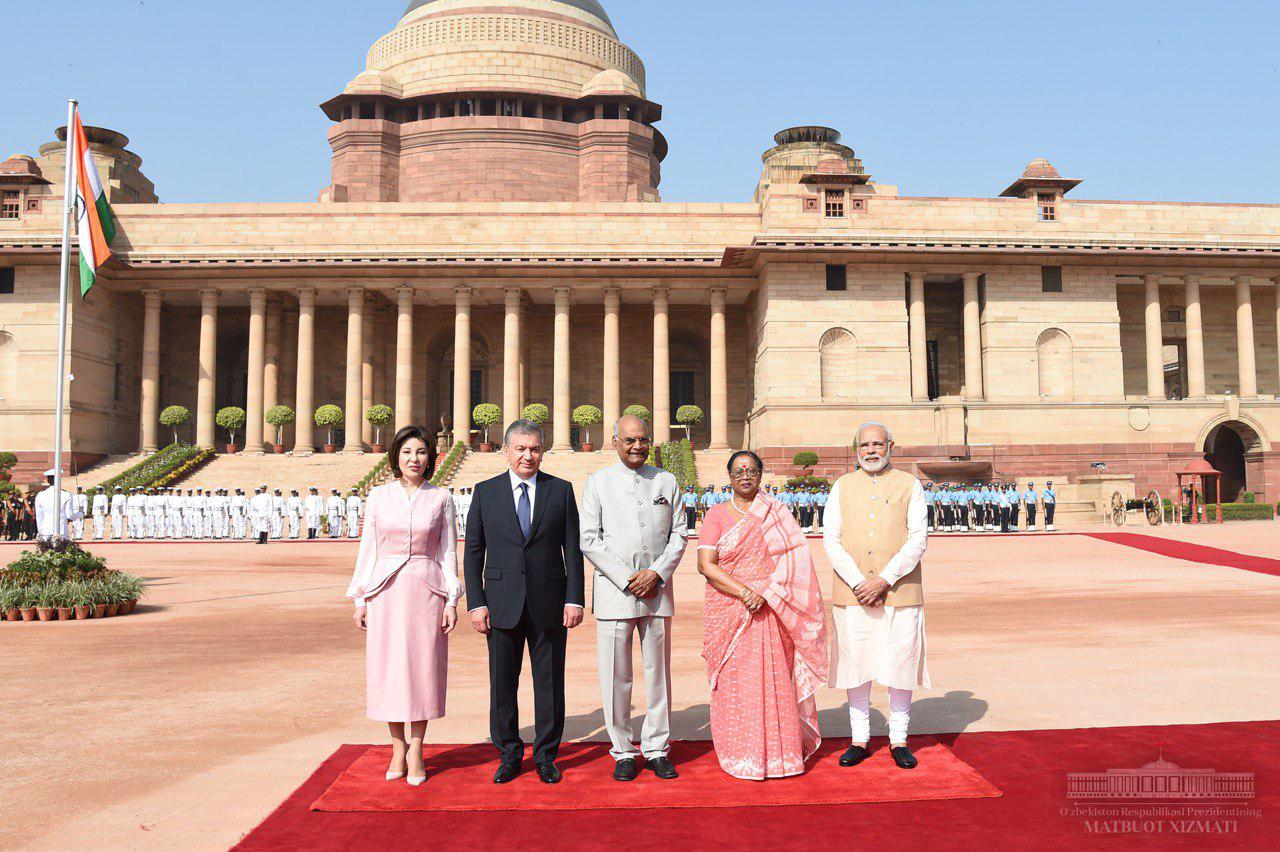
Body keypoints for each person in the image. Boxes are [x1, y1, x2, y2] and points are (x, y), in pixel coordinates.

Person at [463, 419, 585, 786]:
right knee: (502, 683)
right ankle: (509, 754)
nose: (527, 455)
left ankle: (547, 755)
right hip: (500, 603)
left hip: (549, 602)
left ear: (543, 451)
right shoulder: (486, 492)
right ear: (506, 451)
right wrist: (476, 602)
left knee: (549, 683)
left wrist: (574, 599)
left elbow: (573, 551)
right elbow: (473, 552)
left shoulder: (560, 490)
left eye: (534, 449)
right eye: (520, 448)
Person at [696, 450, 827, 781]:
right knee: (736, 682)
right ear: (729, 476)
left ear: (760, 475)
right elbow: (705, 565)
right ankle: (741, 754)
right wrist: (745, 593)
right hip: (730, 608)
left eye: (751, 471)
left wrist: (766, 594)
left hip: (771, 608)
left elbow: (794, 559)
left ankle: (780, 755)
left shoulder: (776, 512)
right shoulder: (716, 514)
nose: (745, 476)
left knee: (772, 679)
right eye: (738, 471)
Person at [349, 425, 459, 787]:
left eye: (422, 452)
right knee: (389, 669)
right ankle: (396, 746)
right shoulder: (379, 496)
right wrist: (361, 597)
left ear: (431, 457)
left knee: (421, 668)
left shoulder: (441, 497)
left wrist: (451, 597)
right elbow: (369, 549)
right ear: (396, 455)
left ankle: (416, 748)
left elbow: (447, 552)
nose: (415, 459)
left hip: (426, 590)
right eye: (408, 452)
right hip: (386, 590)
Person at [580, 415, 685, 782]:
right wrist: (628, 578)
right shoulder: (598, 482)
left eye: (643, 439)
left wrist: (657, 572)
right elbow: (589, 539)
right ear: (614, 442)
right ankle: (623, 749)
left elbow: (680, 534)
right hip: (615, 591)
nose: (637, 446)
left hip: (656, 589)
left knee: (658, 673)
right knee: (616, 675)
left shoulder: (666, 480)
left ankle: (657, 747)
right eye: (629, 440)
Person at [823, 421, 929, 770]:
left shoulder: (909, 485)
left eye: (877, 444)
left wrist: (883, 580)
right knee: (857, 665)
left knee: (900, 664)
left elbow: (918, 539)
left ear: (890, 446)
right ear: (856, 449)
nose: (870, 450)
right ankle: (859, 739)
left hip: (899, 591)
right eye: (864, 445)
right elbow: (831, 540)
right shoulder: (842, 486)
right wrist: (859, 582)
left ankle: (899, 740)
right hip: (853, 593)